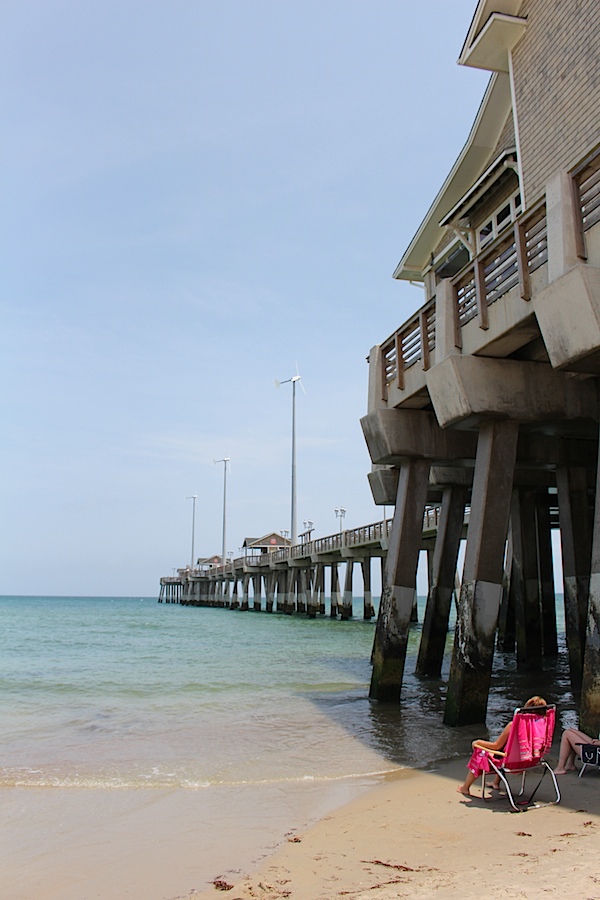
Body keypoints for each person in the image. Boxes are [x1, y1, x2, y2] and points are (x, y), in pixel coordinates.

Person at [457, 696, 547, 797]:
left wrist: (477, 742)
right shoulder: (544, 725)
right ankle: (495, 782)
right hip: (531, 761)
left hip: (512, 764)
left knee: (481, 752)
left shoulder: (514, 725)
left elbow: (496, 746)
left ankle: (465, 788)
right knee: (507, 748)